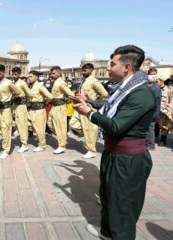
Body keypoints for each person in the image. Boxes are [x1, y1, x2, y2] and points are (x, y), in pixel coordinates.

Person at [72, 45, 156, 239]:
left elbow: (116, 125)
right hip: (114, 154)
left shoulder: (141, 93)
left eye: (112, 64)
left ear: (126, 67)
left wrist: (89, 113)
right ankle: (108, 233)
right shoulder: (126, 89)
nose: (108, 68)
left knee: (123, 207)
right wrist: (91, 102)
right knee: (109, 198)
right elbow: (111, 106)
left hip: (128, 159)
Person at [69, 63, 108, 158]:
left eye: (85, 70)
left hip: (88, 107)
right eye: (82, 70)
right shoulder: (83, 81)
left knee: (89, 129)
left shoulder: (94, 81)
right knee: (73, 123)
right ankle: (89, 136)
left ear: (91, 70)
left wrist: (93, 99)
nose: (83, 72)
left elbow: (105, 94)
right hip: (80, 107)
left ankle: (92, 151)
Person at [0, 65, 21, 159]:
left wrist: (10, 97)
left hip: (5, 109)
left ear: (4, 73)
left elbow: (18, 92)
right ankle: (5, 140)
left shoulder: (9, 83)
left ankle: (6, 149)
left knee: (6, 128)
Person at [47, 66, 73, 154]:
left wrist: (66, 101)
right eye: (51, 73)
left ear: (59, 73)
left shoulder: (61, 83)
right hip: (54, 106)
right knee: (50, 123)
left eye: (54, 73)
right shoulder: (55, 82)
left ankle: (61, 146)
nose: (52, 75)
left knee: (60, 126)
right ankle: (63, 137)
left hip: (60, 107)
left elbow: (70, 94)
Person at [27, 70, 53, 152]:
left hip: (39, 110)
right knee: (26, 124)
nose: (29, 78)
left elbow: (50, 96)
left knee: (39, 129)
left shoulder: (40, 86)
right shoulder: (31, 86)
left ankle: (41, 145)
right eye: (29, 76)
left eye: (31, 76)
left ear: (36, 77)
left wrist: (45, 102)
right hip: (32, 110)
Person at [11, 67, 32, 153]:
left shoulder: (22, 83)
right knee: (16, 124)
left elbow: (30, 94)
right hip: (15, 106)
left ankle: (24, 145)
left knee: (22, 125)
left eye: (15, 74)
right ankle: (23, 141)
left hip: (21, 106)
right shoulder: (13, 83)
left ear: (19, 74)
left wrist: (25, 102)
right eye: (13, 74)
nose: (14, 76)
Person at [145, 70, 161, 150]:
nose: (153, 76)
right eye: (151, 74)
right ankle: (147, 143)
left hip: (152, 112)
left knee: (150, 129)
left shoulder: (156, 88)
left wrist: (154, 113)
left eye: (155, 74)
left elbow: (155, 102)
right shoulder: (147, 86)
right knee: (147, 128)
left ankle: (151, 145)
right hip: (146, 112)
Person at [156, 76, 173, 146]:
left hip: (165, 112)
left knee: (165, 126)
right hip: (157, 111)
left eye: (157, 81)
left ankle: (163, 140)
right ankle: (159, 139)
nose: (155, 83)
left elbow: (171, 101)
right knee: (159, 126)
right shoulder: (156, 89)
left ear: (162, 81)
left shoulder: (169, 90)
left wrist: (168, 111)